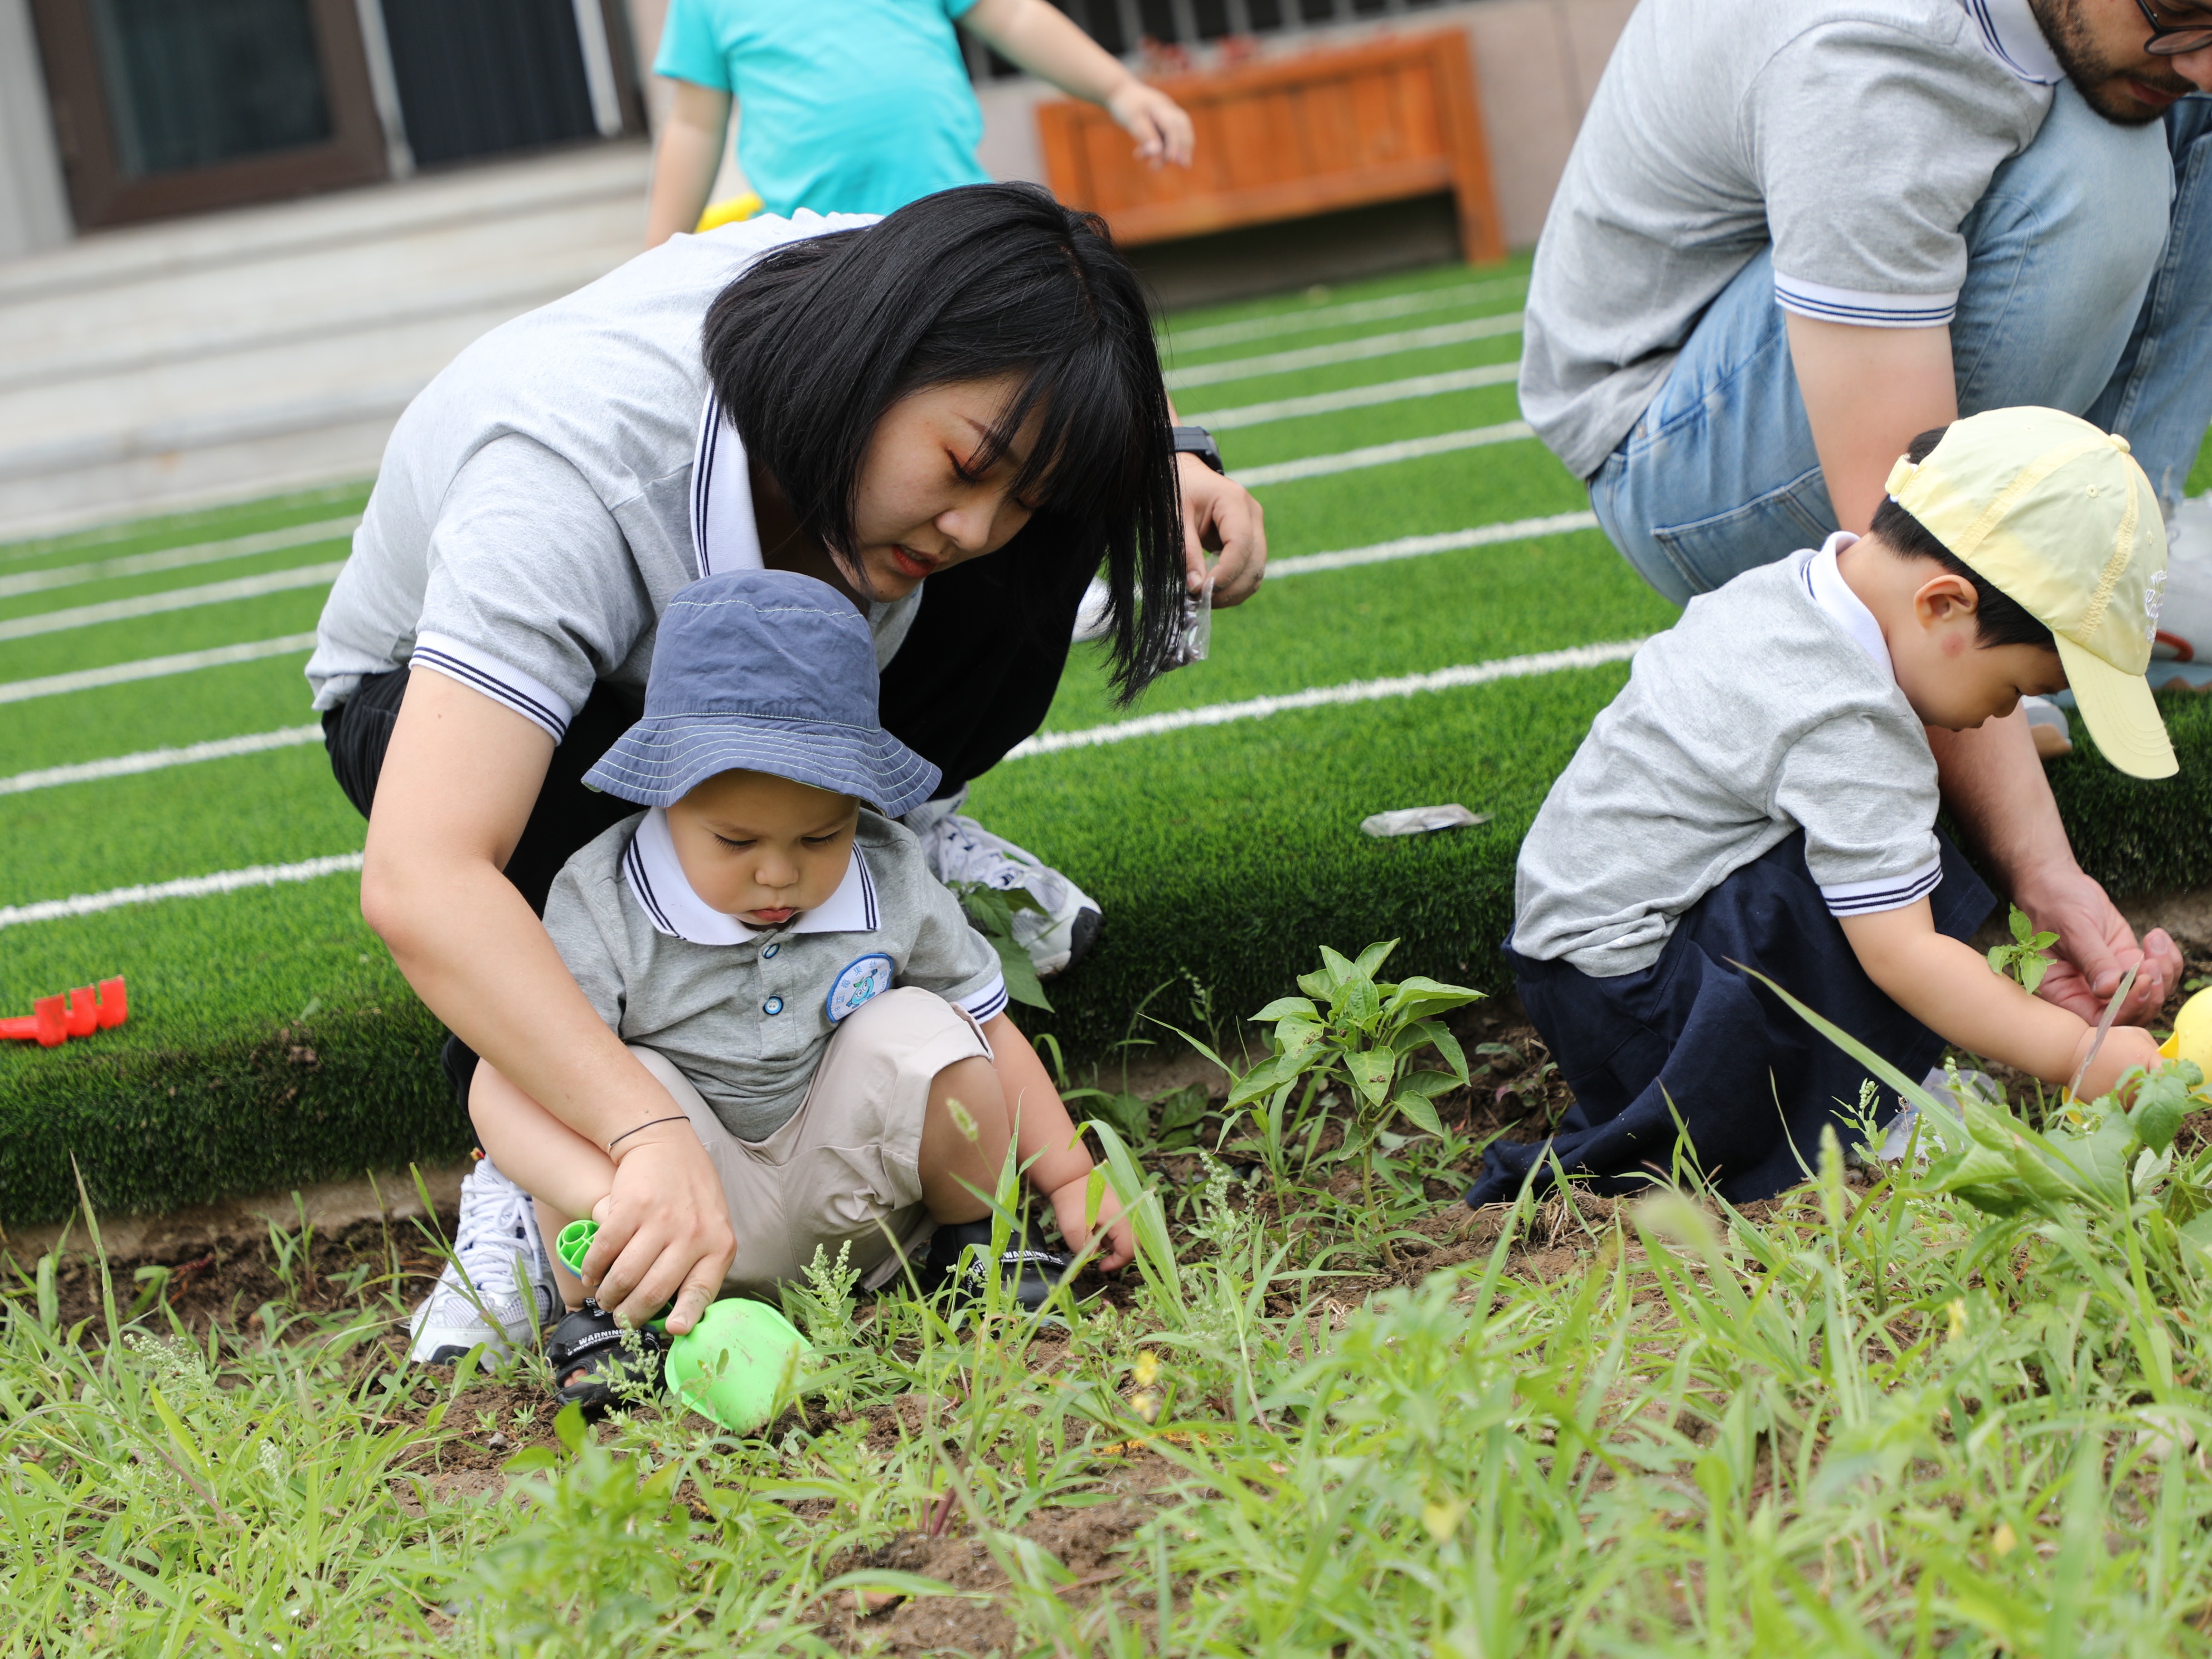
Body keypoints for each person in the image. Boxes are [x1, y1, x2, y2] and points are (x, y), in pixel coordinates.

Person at [305, 185, 1264, 1361]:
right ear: (866, 360)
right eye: (964, 465)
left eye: (1012, 492)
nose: (973, 527)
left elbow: (1062, 330)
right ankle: (523, 1194)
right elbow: (426, 875)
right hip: (440, 699)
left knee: (1038, 525)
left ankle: (882, 829)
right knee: (599, 849)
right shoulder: (569, 477)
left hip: (759, 627)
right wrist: (641, 1125)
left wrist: (1165, 450)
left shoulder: (885, 288)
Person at [1518, 0, 2212, 1034]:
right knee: (2095, 174)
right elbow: (1913, 521)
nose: (2199, 60)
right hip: (1665, 437)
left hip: (1888, 502)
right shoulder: (1871, 46)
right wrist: (2040, 878)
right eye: (2177, 10)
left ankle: (2103, 588)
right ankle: (2045, 620)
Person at [1469, 410, 2172, 1206]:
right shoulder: (1846, 717)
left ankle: (1876, 1083)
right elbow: (1901, 956)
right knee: (1891, 877)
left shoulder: (1801, 593)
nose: (1997, 718)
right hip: (1649, 1007)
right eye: (2014, 689)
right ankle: (1861, 1112)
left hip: (1596, 976)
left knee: (1889, 850)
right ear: (1944, 605)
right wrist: (2078, 1053)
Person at [470, 570, 1134, 1404]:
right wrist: (618, 1195)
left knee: (930, 1029)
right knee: (581, 1076)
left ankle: (974, 1249)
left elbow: (989, 1029)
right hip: (674, 1228)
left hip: (857, 1209)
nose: (779, 874)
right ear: (667, 793)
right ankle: (607, 1321)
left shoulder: (887, 876)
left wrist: (1070, 1176)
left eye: (823, 836)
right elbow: (501, 1091)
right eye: (736, 839)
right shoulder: (604, 902)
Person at [643, 0, 1196, 246]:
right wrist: (656, 260)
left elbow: (1014, 14)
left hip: (952, 219)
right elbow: (694, 126)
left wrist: (1118, 89)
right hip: (814, 249)